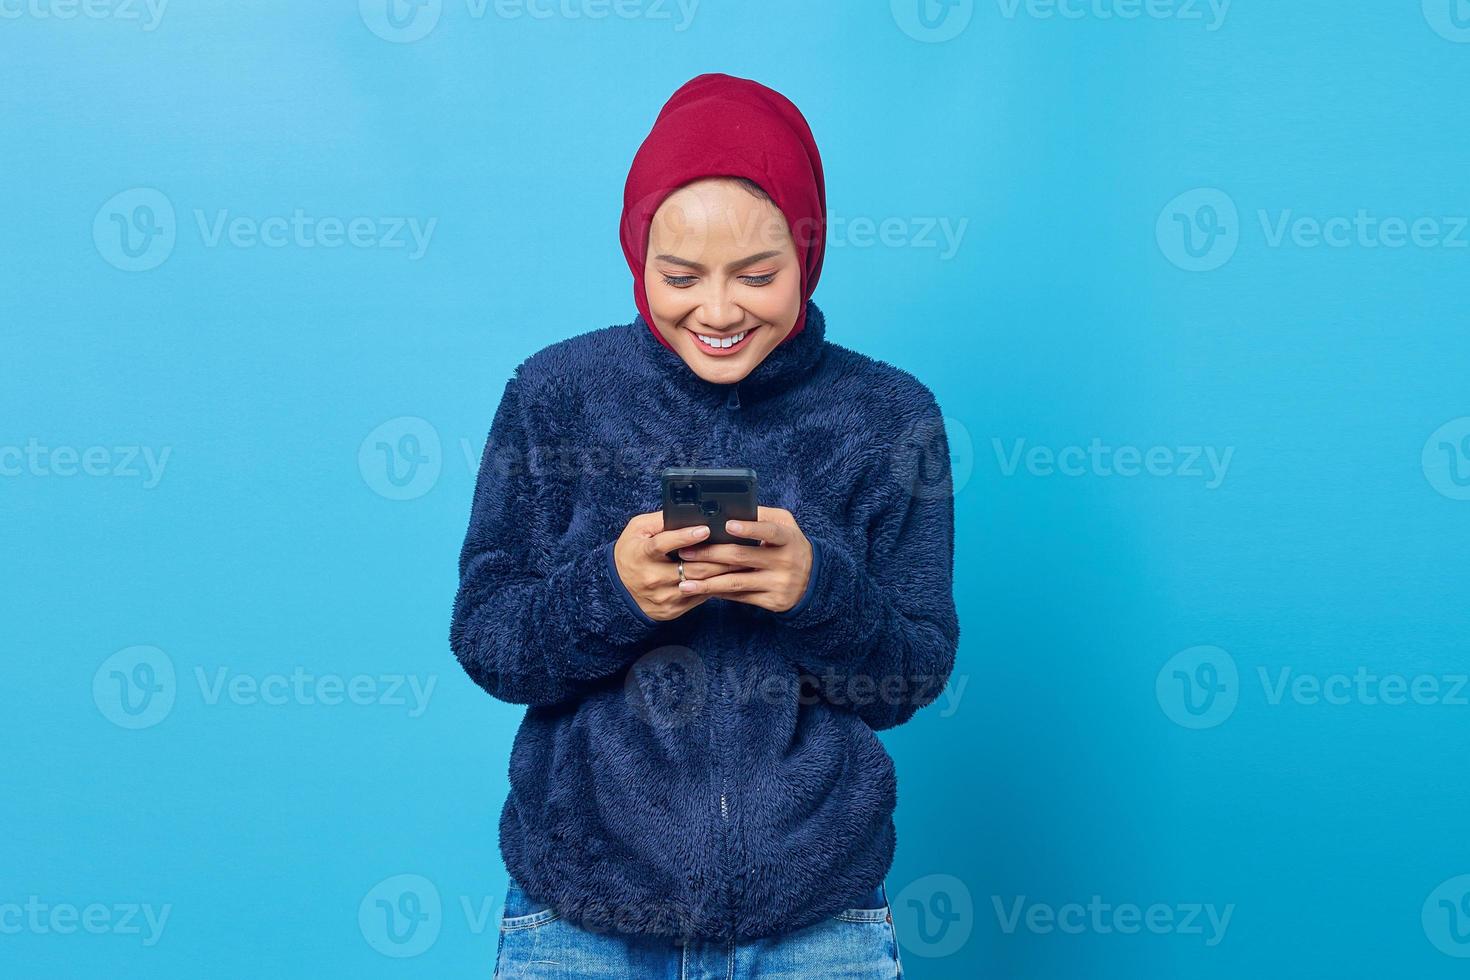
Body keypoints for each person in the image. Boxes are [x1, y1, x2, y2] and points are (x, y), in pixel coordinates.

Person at [450, 71, 959, 979]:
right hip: (582, 923)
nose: (718, 312)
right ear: (635, 256)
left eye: (758, 275)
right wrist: (610, 594)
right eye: (679, 276)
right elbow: (488, 640)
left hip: (818, 925)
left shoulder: (888, 416)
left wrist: (818, 592)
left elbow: (909, 676)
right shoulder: (557, 397)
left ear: (811, 254)